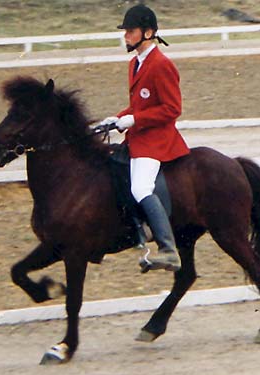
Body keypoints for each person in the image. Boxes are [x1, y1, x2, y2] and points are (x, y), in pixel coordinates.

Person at [101, 4, 190, 273]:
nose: (126, 36)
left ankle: (168, 249)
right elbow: (139, 105)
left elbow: (172, 109)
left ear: (148, 32)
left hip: (157, 141)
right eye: (125, 31)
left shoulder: (161, 65)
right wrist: (116, 118)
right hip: (138, 136)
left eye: (131, 31)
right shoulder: (135, 63)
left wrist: (135, 120)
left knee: (141, 187)